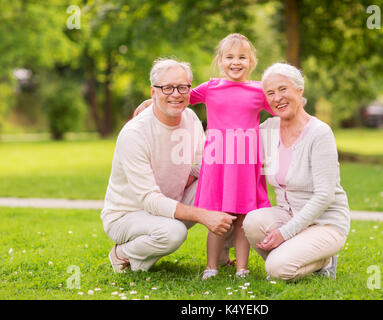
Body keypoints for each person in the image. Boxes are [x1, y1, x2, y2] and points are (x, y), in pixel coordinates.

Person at [133, 34, 274, 279]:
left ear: (251, 61)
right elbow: (180, 97)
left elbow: (282, 109)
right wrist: (151, 100)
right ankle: (211, 266)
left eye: (242, 57)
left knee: (243, 218)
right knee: (217, 215)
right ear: (220, 60)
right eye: (229, 57)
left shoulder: (259, 91)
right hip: (218, 163)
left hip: (245, 165)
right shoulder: (211, 87)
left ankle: (242, 268)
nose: (235, 62)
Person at [101, 58, 236, 273]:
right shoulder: (134, 134)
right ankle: (121, 254)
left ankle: (221, 255)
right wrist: (203, 215)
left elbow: (204, 165)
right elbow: (149, 199)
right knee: (173, 232)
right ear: (153, 91)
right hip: (127, 215)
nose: (176, 94)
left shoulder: (190, 118)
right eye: (167, 87)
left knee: (221, 180)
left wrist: (191, 178)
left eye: (182, 87)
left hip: (169, 202)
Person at [243, 63, 350, 281]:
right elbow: (229, 142)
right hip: (288, 215)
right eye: (270, 93)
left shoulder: (319, 133)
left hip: (326, 223)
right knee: (252, 221)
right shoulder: (269, 129)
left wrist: (285, 233)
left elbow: (324, 195)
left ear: (299, 91)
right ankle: (297, 255)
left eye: (283, 89)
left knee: (276, 270)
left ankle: (324, 259)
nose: (277, 98)